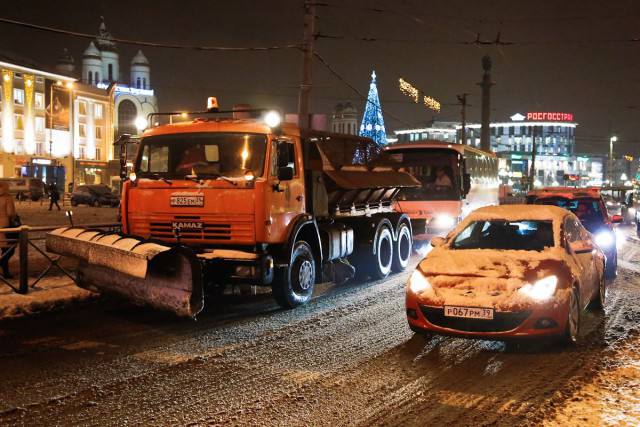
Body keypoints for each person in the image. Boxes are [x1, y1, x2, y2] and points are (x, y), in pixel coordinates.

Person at [0, 182, 17, 278]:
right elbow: (10, 213)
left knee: (4, 250)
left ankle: (6, 273)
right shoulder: (7, 198)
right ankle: (3, 267)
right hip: (5, 226)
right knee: (9, 250)